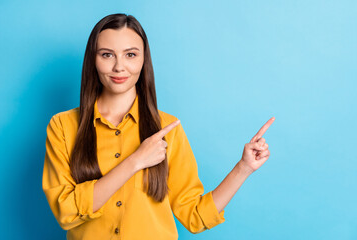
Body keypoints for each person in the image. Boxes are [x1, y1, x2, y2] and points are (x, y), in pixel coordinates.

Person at [42, 13, 275, 240]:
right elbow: (66, 212)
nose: (119, 67)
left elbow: (194, 216)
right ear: (93, 60)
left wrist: (243, 168)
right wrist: (135, 161)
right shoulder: (63, 126)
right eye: (107, 55)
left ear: (144, 60)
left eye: (130, 55)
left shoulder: (167, 128)